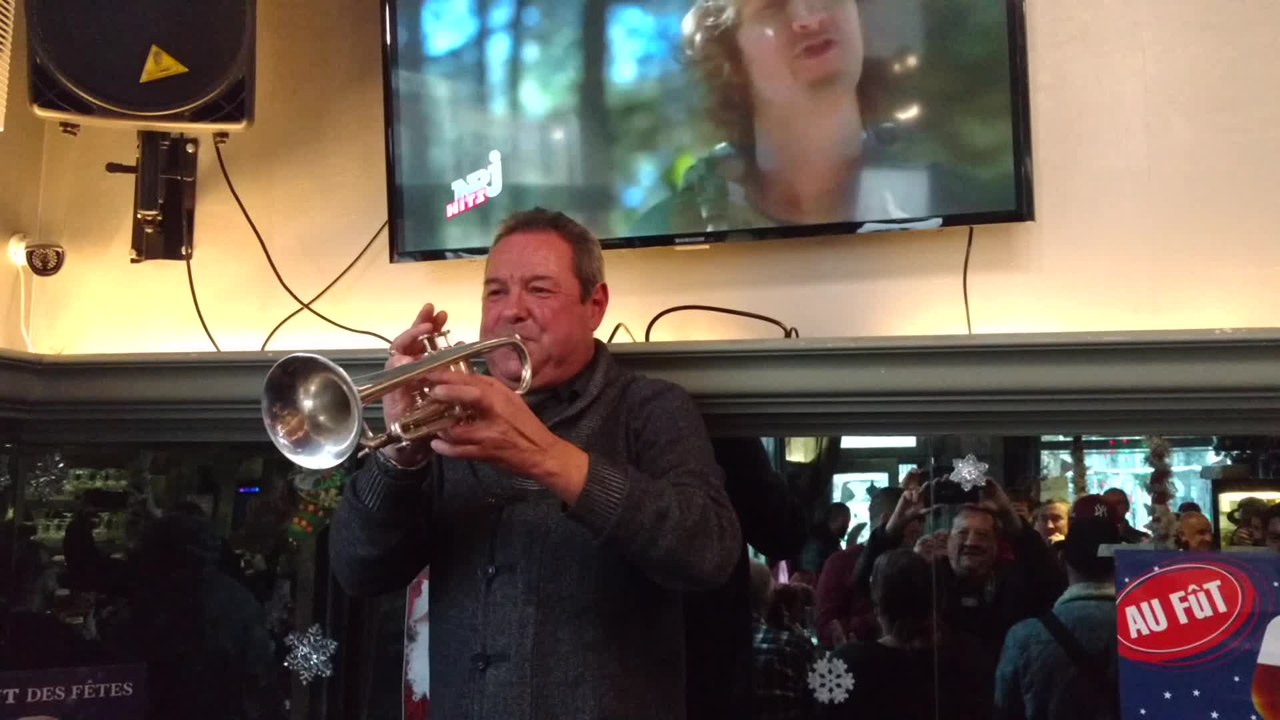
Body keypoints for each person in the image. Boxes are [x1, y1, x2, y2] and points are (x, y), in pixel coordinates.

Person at [328, 208, 742, 719]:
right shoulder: (444, 419)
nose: (511, 311)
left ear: (596, 304)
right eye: (495, 291)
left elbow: (709, 552)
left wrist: (545, 457)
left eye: (539, 290)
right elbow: (358, 572)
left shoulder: (650, 408)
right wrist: (400, 452)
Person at [634, 0, 971, 236]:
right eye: (772, 5)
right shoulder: (670, 226)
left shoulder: (959, 199)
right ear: (732, 59)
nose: (807, 17)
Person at [855, 478, 1064, 658]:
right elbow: (866, 585)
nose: (971, 542)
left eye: (982, 535)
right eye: (962, 533)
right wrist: (893, 528)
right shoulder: (926, 581)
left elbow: (1053, 584)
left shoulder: (1013, 583)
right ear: (947, 539)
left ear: (997, 544)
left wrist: (1010, 517)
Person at [818, 549, 993, 720]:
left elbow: (821, 710)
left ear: (877, 603)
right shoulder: (970, 654)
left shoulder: (846, 662)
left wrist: (841, 662)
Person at [994, 514, 1122, 720]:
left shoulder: (1024, 637)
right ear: (1119, 562)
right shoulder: (1152, 630)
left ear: (1062, 559)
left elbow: (1005, 709)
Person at [800, 502, 851, 577]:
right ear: (839, 519)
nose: (847, 526)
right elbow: (810, 570)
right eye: (846, 521)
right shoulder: (816, 541)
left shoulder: (832, 541)